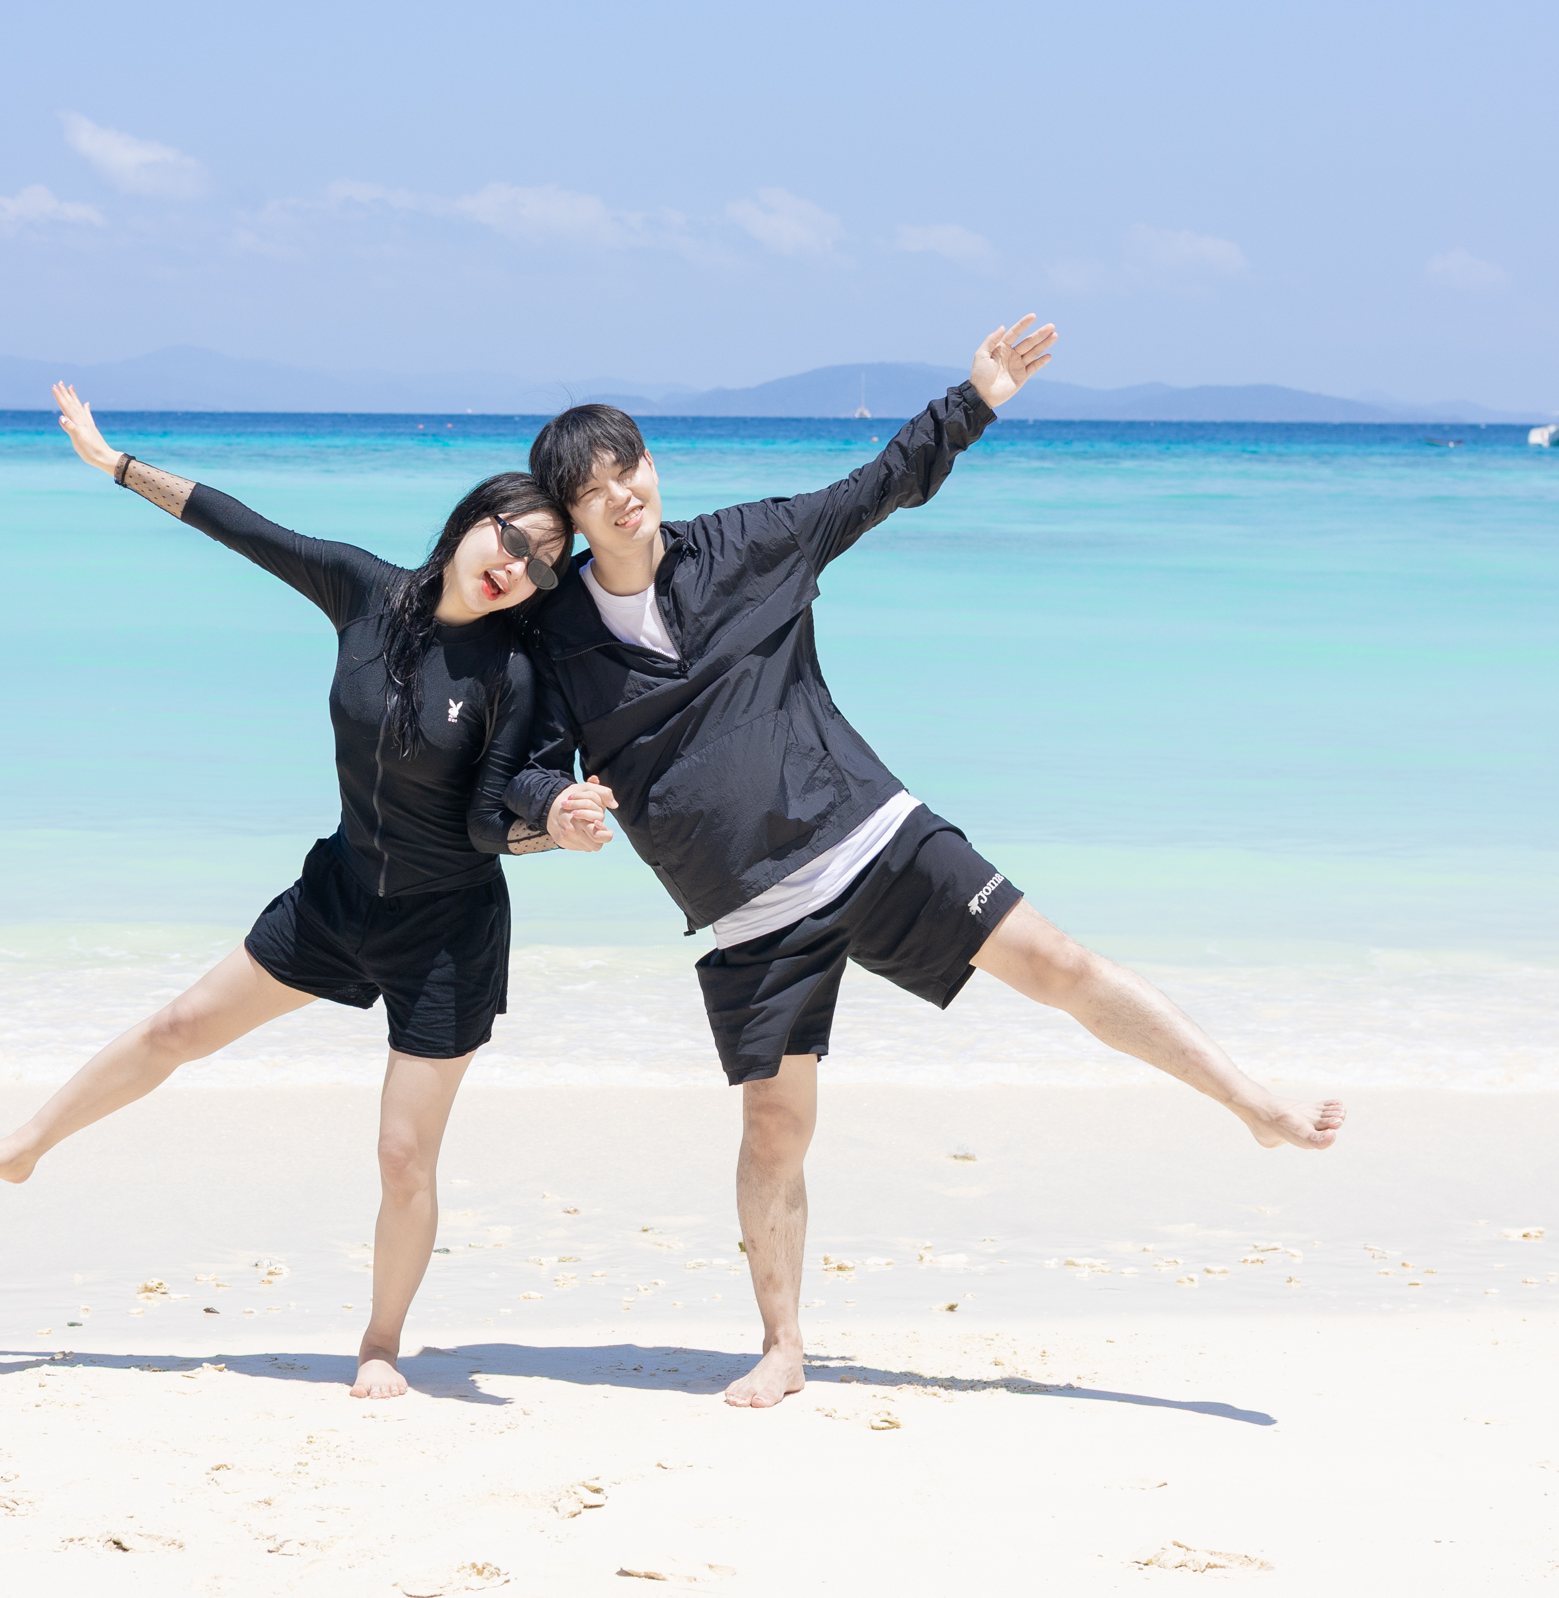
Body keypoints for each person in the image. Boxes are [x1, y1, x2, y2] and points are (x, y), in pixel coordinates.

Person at [514, 318, 1346, 1409]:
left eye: (629, 469)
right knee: (775, 1129)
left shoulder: (751, 543)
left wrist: (976, 397)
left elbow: (879, 486)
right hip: (748, 909)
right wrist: (553, 807)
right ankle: (783, 1344)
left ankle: (1252, 1103)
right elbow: (530, 764)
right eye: (594, 491)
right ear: (571, 518)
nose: (622, 496)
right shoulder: (557, 637)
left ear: (651, 467)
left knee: (1061, 964)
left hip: (871, 834)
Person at [0, 382, 587, 1400]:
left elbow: (488, 822)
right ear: (475, 519)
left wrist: (556, 827)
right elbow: (242, 527)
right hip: (339, 893)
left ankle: (380, 1341)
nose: (518, 566)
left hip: (447, 931)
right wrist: (117, 465)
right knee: (176, 1028)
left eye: (544, 564)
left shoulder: (512, 673)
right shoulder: (366, 592)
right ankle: (23, 1145)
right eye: (513, 538)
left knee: (403, 1155)